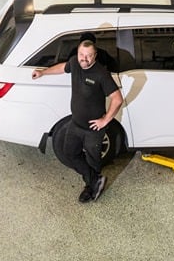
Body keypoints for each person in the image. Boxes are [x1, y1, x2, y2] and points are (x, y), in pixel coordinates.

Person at [32, 39, 124, 203]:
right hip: (75, 123)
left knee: (92, 160)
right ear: (78, 54)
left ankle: (91, 187)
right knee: (69, 153)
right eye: (82, 54)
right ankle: (95, 180)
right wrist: (43, 72)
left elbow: (117, 99)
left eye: (89, 56)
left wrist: (104, 121)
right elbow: (62, 67)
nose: (85, 59)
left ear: (95, 56)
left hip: (93, 130)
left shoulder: (101, 74)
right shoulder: (75, 63)